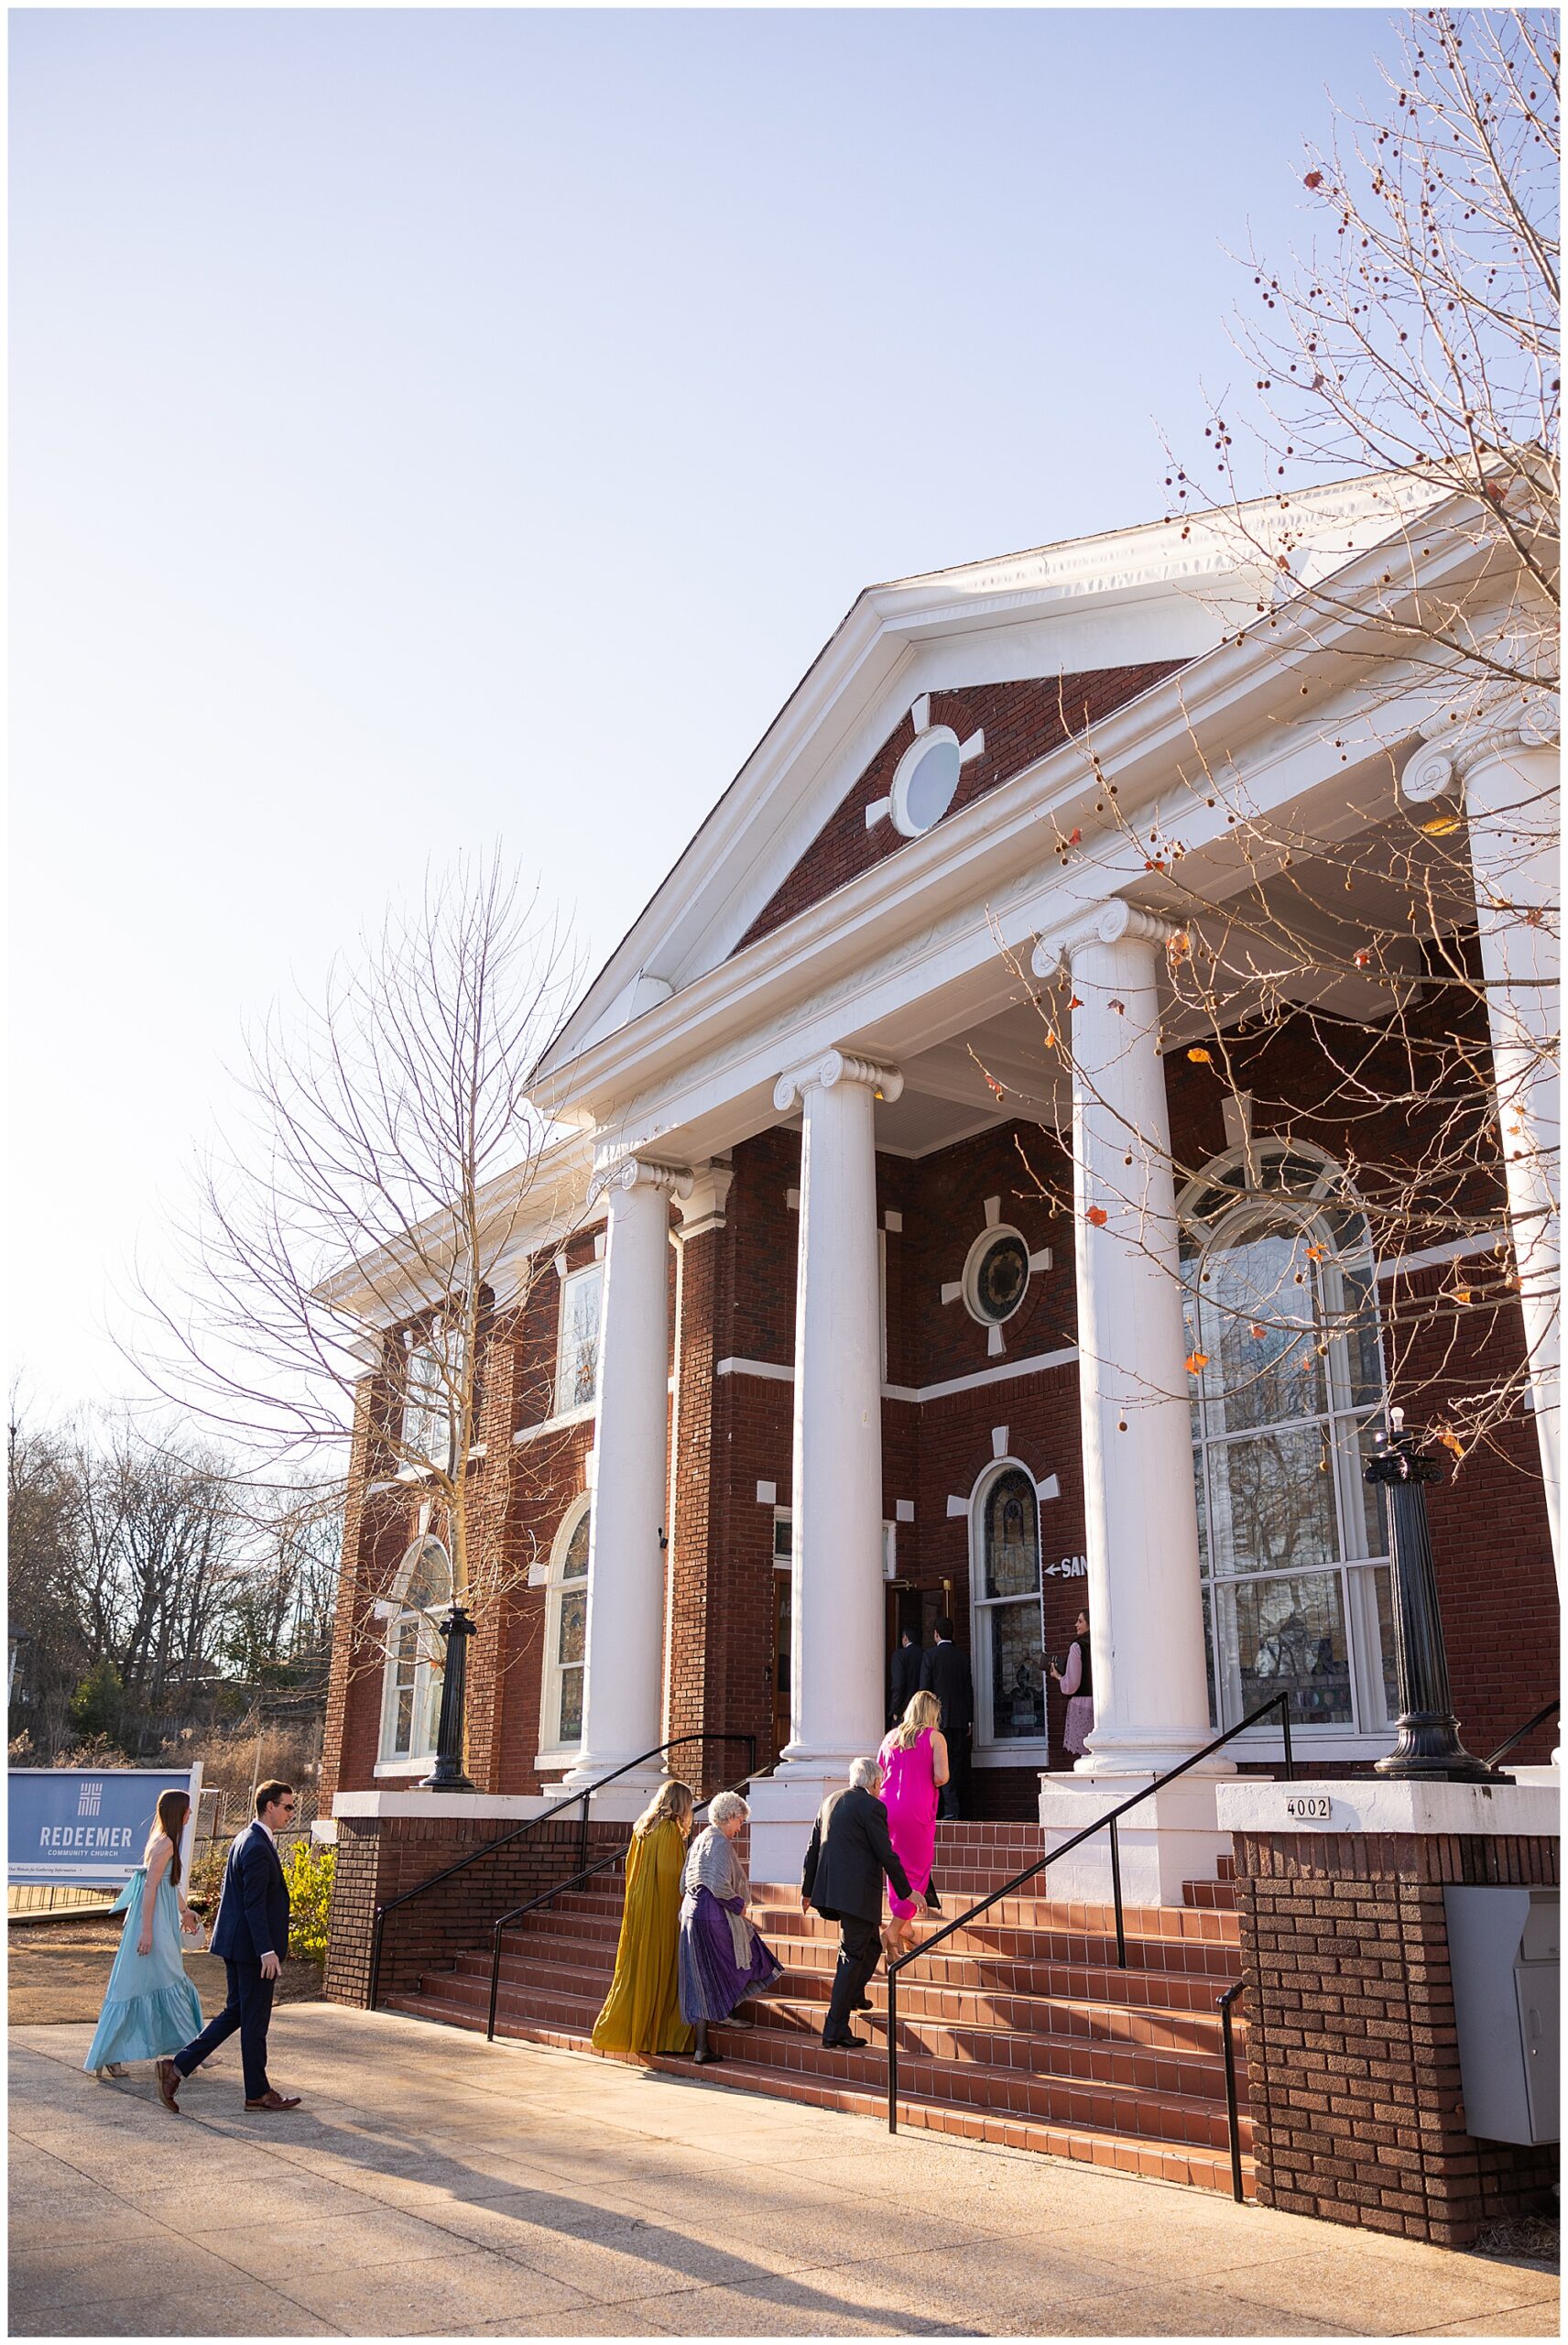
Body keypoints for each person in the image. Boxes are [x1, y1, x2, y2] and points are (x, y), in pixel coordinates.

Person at [158, 1780, 299, 2116]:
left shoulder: (247, 1839)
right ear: (270, 1806)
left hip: (240, 1946)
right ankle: (258, 2093)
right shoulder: (254, 1846)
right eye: (288, 1806)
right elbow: (253, 1904)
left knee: (237, 2014)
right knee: (254, 2022)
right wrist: (267, 1951)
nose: (291, 1813)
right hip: (252, 1951)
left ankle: (177, 2069)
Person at [84, 1788, 205, 2082]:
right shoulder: (165, 1844)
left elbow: (168, 1886)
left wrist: (186, 1911)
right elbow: (150, 1888)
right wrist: (147, 1931)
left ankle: (188, 2051)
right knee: (168, 1980)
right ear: (178, 1812)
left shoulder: (162, 1840)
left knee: (145, 1983)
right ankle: (196, 2051)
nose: (190, 1814)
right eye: (187, 1810)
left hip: (159, 1919)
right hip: (153, 1923)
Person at [800, 1756, 912, 2050]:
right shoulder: (872, 1806)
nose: (881, 1788)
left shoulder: (830, 1801)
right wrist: (906, 1891)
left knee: (871, 1946)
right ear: (876, 1782)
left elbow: (813, 1848)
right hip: (857, 1895)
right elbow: (885, 1853)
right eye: (881, 1783)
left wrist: (807, 1890)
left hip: (832, 1892)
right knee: (850, 1958)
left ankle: (854, 1995)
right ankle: (835, 2027)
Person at [592, 1781, 696, 2058]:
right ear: (680, 1803)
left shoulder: (642, 1828)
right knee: (662, 1966)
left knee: (638, 1967)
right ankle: (661, 2034)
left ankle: (630, 2030)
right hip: (661, 1908)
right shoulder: (669, 1831)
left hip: (639, 1906)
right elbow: (673, 1876)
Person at [678, 1790, 781, 2066]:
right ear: (731, 1816)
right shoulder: (720, 1843)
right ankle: (724, 2008)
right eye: (740, 1822)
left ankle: (703, 2046)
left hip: (690, 1914)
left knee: (700, 1978)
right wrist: (739, 1905)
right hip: (713, 1916)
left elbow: (682, 1883)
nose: (740, 1828)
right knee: (752, 1958)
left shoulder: (700, 1839)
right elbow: (720, 1885)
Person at [876, 1690, 947, 1961]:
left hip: (887, 1807)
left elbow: (879, 1772)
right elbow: (941, 1776)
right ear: (931, 1713)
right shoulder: (934, 1737)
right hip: (916, 1809)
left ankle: (906, 1926)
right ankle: (893, 1930)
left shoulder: (890, 1737)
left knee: (896, 1864)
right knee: (917, 1869)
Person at [920, 1617, 974, 1819]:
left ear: (936, 1634)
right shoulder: (962, 1657)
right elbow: (969, 1689)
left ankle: (949, 1810)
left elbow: (925, 1690)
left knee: (940, 1763)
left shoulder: (930, 1656)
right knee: (956, 1764)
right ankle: (956, 1808)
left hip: (937, 1722)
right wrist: (970, 1719)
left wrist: (923, 1720)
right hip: (960, 1721)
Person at [1051, 1609, 1094, 1761]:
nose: (1076, 1624)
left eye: (1080, 1621)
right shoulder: (1102, 1644)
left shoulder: (1077, 1646)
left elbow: (1072, 1685)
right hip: (1101, 1703)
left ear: (1090, 1623)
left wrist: (1058, 1677)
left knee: (1084, 1755)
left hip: (1082, 1704)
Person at [887, 1626, 923, 1729]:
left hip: (903, 1710)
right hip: (921, 1709)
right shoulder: (925, 1655)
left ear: (905, 1638)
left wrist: (895, 1708)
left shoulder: (899, 1655)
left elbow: (898, 1684)